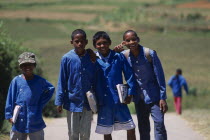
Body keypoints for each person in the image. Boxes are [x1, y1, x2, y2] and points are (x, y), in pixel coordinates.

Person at [114, 30, 168, 140]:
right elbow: (110, 64)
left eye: (134, 39)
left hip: (155, 97)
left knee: (159, 123)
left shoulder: (149, 54)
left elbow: (160, 77)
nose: (132, 42)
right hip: (139, 98)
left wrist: (163, 97)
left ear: (138, 39)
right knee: (143, 127)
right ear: (124, 42)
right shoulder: (124, 56)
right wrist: (114, 52)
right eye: (128, 40)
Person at [93, 31, 136, 140]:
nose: (102, 46)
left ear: (110, 43)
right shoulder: (93, 59)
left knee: (130, 127)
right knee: (106, 131)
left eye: (105, 43)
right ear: (94, 45)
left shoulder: (118, 57)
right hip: (103, 101)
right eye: (99, 44)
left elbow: (129, 75)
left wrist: (130, 93)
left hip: (119, 100)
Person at [55, 29, 95, 140]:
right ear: (71, 42)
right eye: (77, 41)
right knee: (73, 134)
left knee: (85, 134)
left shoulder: (91, 57)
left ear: (86, 42)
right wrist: (59, 101)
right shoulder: (67, 58)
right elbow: (62, 80)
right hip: (72, 102)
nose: (80, 44)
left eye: (82, 41)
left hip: (88, 103)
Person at [5, 52, 55, 140]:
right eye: (24, 65)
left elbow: (51, 88)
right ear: (20, 67)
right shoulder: (16, 81)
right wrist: (9, 115)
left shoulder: (40, 81)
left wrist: (40, 102)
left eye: (30, 64)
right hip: (18, 119)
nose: (27, 67)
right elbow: (10, 98)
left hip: (35, 118)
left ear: (34, 65)